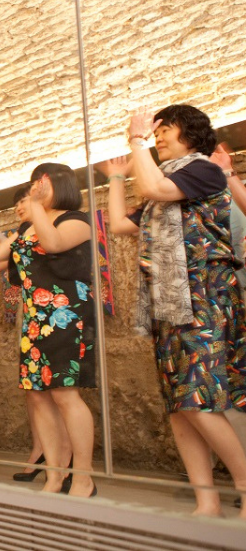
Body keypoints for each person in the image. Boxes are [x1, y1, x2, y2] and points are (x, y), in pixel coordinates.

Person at [103, 105, 246, 517]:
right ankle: (208, 501)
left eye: (167, 130)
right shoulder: (170, 180)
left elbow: (154, 190)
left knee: (198, 399)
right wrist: (115, 177)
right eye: (156, 130)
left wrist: (136, 140)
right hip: (170, 302)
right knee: (180, 408)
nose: (159, 136)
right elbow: (119, 225)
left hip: (202, 296)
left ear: (193, 133)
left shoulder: (203, 170)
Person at [0, 163, 96, 496]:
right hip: (35, 318)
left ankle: (83, 476)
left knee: (66, 395)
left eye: (42, 182)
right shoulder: (27, 226)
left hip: (67, 314)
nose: (36, 188)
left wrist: (36, 206)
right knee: (37, 397)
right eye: (35, 183)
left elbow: (53, 244)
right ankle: (54, 475)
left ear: (61, 183)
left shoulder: (76, 220)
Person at [4, 184, 49, 482]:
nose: (20, 207)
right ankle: (40, 449)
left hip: (51, 308)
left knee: (54, 391)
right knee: (32, 390)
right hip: (28, 308)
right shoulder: (21, 233)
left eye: (24, 200)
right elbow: (7, 272)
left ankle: (60, 456)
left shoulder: (55, 226)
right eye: (18, 203)